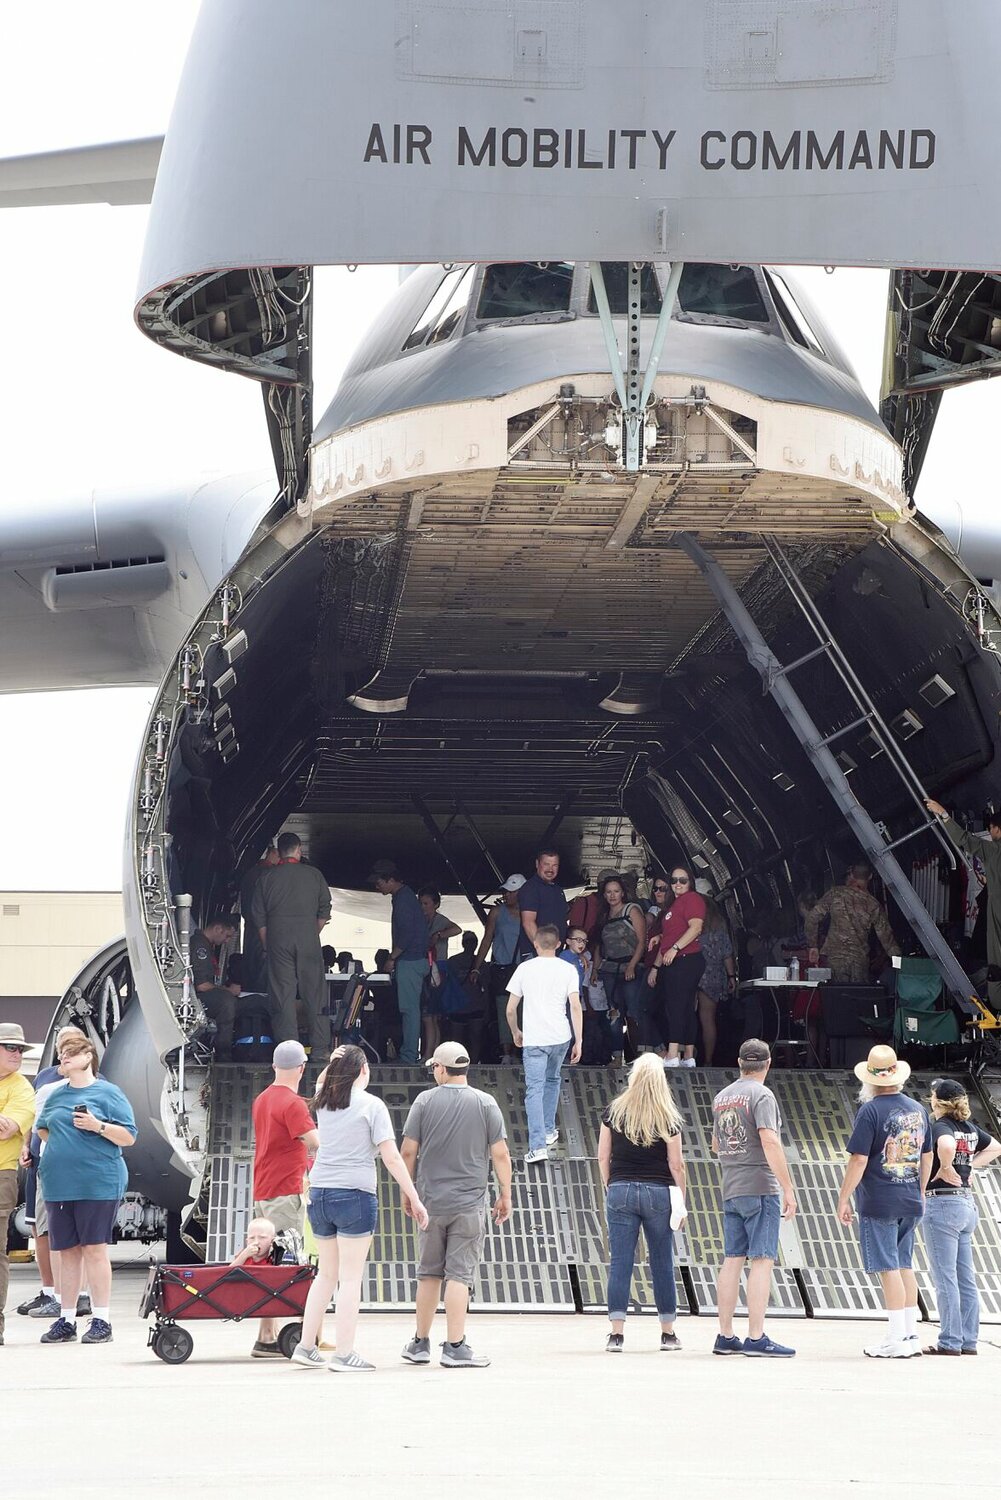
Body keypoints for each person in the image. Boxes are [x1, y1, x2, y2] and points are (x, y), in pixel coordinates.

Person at [292, 1045, 427, 1371]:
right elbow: (392, 1158)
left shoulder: (325, 1102)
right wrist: (415, 1196)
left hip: (320, 1194)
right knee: (351, 1280)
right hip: (354, 1195)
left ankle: (306, 1346)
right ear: (363, 1071)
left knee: (326, 1274)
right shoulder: (372, 1106)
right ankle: (344, 1353)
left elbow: (320, 1084)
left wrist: (334, 1061)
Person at [400, 1041, 512, 1368]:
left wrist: (409, 1192)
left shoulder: (424, 1101)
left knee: (429, 1274)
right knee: (459, 1276)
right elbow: (501, 1154)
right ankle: (455, 1347)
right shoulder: (486, 1103)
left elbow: (408, 1151)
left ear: (440, 1068)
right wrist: (505, 1193)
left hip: (431, 1202)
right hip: (470, 1204)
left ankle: (419, 1344)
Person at [35, 1031, 137, 1346]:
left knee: (94, 1249)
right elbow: (43, 1129)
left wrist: (99, 1127)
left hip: (98, 1182)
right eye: (61, 1053)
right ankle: (66, 1319)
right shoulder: (55, 1094)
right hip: (59, 1184)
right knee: (67, 1251)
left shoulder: (109, 1093)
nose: (63, 1057)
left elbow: (129, 1136)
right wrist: (64, 1153)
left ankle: (102, 1319)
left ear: (87, 1056)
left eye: (70, 1052)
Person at [837, 1044, 932, 1358]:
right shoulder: (918, 1109)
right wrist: (919, 1189)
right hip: (910, 1197)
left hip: (880, 1199)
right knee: (905, 1263)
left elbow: (859, 1159)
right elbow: (927, 1154)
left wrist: (844, 1196)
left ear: (870, 1080)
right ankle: (910, 1334)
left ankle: (894, 1338)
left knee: (887, 1266)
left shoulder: (871, 1110)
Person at [711, 1038, 797, 1357]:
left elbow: (717, 1145)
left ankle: (725, 1335)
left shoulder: (722, 1098)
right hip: (760, 1185)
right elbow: (770, 1142)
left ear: (739, 1063)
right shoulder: (762, 1095)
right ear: (768, 1063)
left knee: (732, 1259)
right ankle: (757, 1337)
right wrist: (787, 1188)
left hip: (731, 1185)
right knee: (762, 1259)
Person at [598, 1053, 687, 1353]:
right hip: (659, 1192)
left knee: (621, 1261)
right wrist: (682, 1201)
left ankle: (616, 1334)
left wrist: (610, 1185)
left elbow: (602, 1155)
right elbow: (676, 1165)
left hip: (621, 1188)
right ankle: (668, 1333)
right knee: (661, 1261)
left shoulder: (614, 1110)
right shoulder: (668, 1115)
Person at [249, 1039, 320, 1358]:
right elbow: (315, 1142)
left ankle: (267, 1334)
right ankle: (268, 1337)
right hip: (284, 1191)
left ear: (275, 1067)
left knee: (267, 1261)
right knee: (284, 1263)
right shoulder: (293, 1105)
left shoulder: (262, 1099)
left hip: (263, 1188)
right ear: (301, 1069)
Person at [17, 1025, 92, 1323]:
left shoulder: (91, 1083)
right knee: (40, 1228)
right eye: (62, 1046)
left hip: (68, 1166)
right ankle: (50, 1291)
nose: (66, 1051)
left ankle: (73, 1297)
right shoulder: (45, 1077)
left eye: (73, 1045)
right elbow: (36, 1121)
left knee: (67, 1234)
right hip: (40, 1161)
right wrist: (26, 1146)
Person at [921, 1078, 1001, 1355]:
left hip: (942, 1204)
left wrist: (945, 1166)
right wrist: (970, 1168)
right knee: (965, 1277)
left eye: (932, 1095)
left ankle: (950, 1341)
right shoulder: (968, 1129)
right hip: (966, 1205)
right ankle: (968, 1340)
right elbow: (995, 1148)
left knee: (945, 1278)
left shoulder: (940, 1126)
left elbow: (944, 1145)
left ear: (938, 1101)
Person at [505, 924, 583, 1164]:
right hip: (561, 1037)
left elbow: (510, 1009)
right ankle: (549, 1131)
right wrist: (579, 1040)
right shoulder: (568, 969)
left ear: (536, 944)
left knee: (534, 1089)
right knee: (553, 1080)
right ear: (559, 944)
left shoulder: (524, 968)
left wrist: (516, 1031)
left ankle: (537, 1146)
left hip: (535, 1039)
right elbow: (576, 1006)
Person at [252, 833, 332, 1055]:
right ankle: (320, 1049)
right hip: (308, 938)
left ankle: (289, 1051)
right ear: (298, 851)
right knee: (314, 993)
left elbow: (259, 919)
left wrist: (269, 945)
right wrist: (310, 932)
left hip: (278, 939)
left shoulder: (266, 878)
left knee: (282, 995)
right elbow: (324, 910)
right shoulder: (314, 875)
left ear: (279, 851)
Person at [927, 800, 1001, 1011]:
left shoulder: (994, 850)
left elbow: (963, 838)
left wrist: (943, 814)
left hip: (998, 917)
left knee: (996, 965)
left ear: (996, 829)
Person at [0, 1021, 38, 1345]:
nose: (17, 1054)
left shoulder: (22, 1088)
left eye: (20, 1049)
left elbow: (6, 1128)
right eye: (10, 1048)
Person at [369, 859, 428, 1065]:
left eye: (379, 882)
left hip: (409, 961)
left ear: (391, 879)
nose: (377, 886)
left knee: (409, 1011)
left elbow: (406, 935)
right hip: (414, 960)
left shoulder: (403, 900)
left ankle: (409, 1056)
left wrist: (392, 958)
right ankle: (409, 1053)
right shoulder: (405, 897)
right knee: (410, 1010)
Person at [646, 867, 706, 1066]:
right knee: (685, 1007)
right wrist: (660, 938)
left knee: (677, 1006)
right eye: (674, 880)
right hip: (677, 958)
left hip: (685, 958)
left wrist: (675, 947)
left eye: (683, 880)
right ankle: (688, 1056)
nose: (678, 884)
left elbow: (696, 927)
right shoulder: (675, 905)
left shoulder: (692, 898)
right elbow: (675, 931)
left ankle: (672, 1055)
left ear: (690, 882)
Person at [805, 863, 900, 985]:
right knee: (857, 1000)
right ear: (870, 877)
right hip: (859, 961)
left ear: (851, 874)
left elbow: (812, 918)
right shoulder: (873, 905)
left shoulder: (835, 894)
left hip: (835, 959)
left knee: (837, 998)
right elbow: (887, 938)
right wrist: (900, 964)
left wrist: (813, 946)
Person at [471, 874, 525, 1062]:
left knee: (524, 1011)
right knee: (504, 1010)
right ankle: (506, 1052)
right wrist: (476, 967)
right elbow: (487, 939)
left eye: (510, 892)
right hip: (503, 968)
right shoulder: (496, 912)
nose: (506, 895)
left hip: (525, 969)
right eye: (505, 892)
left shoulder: (531, 913)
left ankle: (521, 1051)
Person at [594, 875, 647, 1057]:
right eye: (608, 892)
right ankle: (617, 1056)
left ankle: (640, 1054)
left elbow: (642, 941)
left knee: (634, 1013)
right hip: (610, 970)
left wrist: (632, 966)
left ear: (623, 893)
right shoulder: (603, 916)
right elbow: (599, 946)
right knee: (614, 1014)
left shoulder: (632, 910)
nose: (612, 895)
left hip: (631, 968)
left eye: (616, 891)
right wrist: (595, 969)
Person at [189, 914, 241, 1059]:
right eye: (227, 936)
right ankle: (223, 1053)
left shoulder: (206, 945)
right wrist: (229, 990)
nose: (227, 941)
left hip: (201, 995)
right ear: (218, 929)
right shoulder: (200, 947)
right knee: (226, 1002)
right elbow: (202, 986)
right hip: (196, 999)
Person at [419, 887, 462, 1060]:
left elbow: (457, 929)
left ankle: (429, 1053)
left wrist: (439, 935)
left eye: (426, 903)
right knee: (432, 1016)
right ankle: (433, 1053)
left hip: (437, 969)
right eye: (420, 903)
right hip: (428, 968)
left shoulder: (441, 920)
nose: (422, 907)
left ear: (435, 904)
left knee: (429, 1014)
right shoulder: (421, 921)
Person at [696, 894, 736, 1067]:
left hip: (692, 972)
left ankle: (687, 1054)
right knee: (708, 1019)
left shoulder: (693, 927)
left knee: (686, 1016)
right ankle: (708, 1059)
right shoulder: (720, 929)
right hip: (714, 975)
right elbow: (727, 955)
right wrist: (731, 976)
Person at [240, 846, 281, 994]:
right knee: (262, 975)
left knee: (251, 969)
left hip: (251, 930)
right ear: (274, 854)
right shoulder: (268, 875)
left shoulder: (251, 873)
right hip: (263, 931)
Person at [516, 849, 569, 958]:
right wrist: (543, 950)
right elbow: (528, 923)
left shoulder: (558, 890)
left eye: (555, 865)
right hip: (537, 954)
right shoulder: (531, 888)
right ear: (537, 864)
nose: (550, 869)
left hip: (555, 953)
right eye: (546, 864)